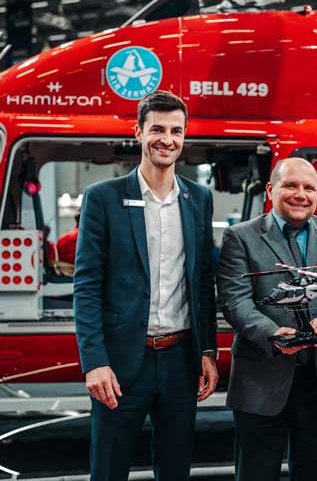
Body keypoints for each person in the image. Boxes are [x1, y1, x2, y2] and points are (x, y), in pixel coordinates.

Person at [73, 90, 218, 481]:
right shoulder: (103, 199)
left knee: (174, 470)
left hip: (180, 361)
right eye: (157, 129)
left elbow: (203, 280)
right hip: (121, 363)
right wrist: (95, 363)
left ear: (184, 136)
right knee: (108, 469)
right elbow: (86, 285)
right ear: (138, 132)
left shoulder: (198, 198)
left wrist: (207, 350)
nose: (166, 139)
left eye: (176, 131)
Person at [216, 157, 317, 481]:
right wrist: (271, 334)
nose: (301, 194)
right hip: (260, 377)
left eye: (308, 188)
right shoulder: (239, 237)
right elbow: (234, 300)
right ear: (270, 190)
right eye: (291, 185)